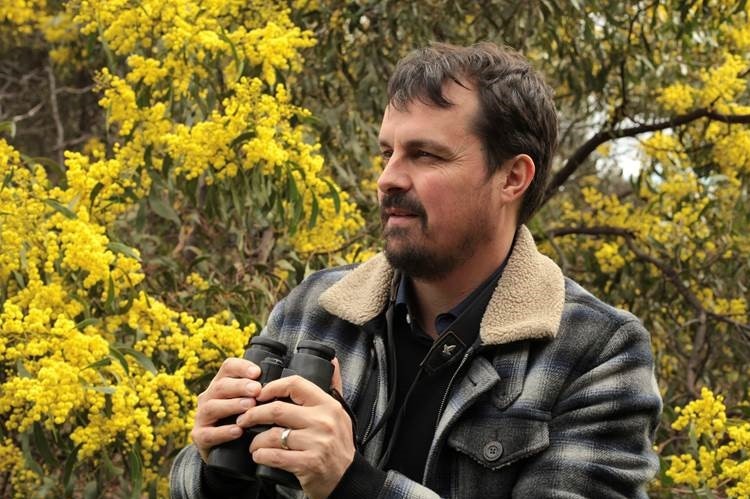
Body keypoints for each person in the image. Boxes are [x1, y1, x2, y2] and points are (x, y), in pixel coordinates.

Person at [170, 42, 662, 499]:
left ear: (512, 177)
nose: (388, 179)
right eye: (388, 153)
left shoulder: (597, 351)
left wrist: (353, 486)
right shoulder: (313, 309)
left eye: (425, 155)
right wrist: (214, 469)